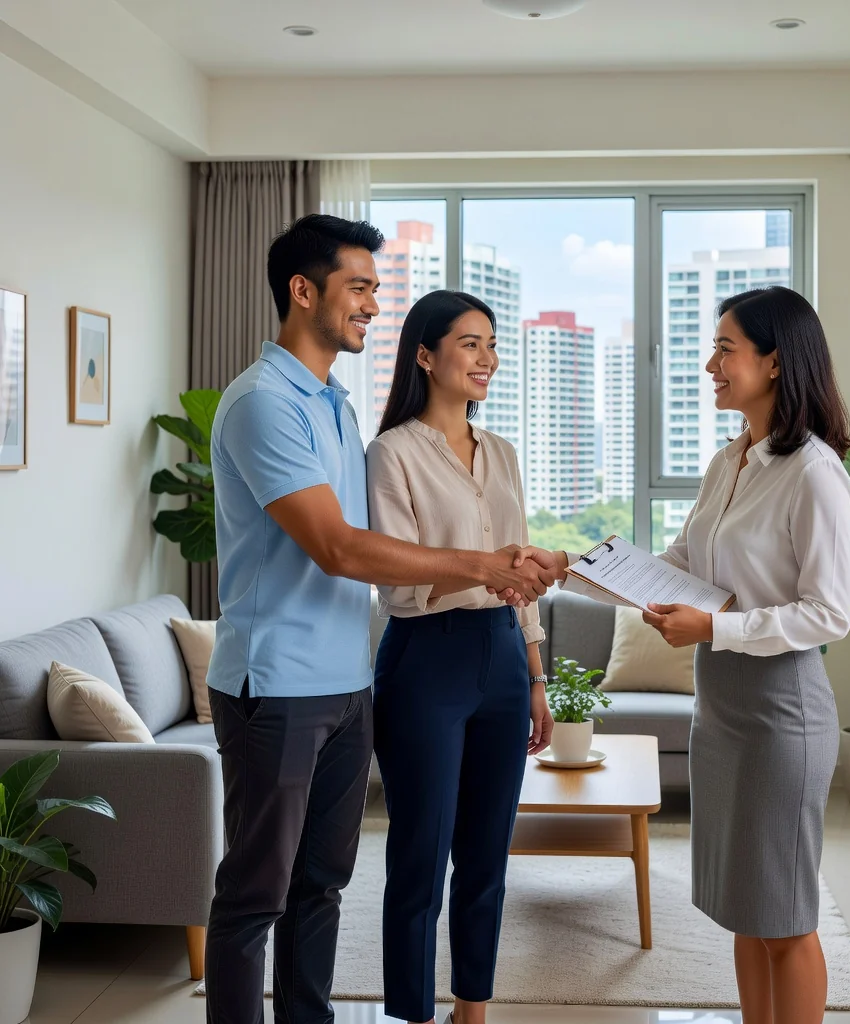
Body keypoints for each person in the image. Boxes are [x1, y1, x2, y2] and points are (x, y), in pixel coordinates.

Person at [203, 216, 555, 1024]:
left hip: (346, 683)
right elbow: (336, 546)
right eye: (357, 287)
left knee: (320, 888)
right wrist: (481, 565)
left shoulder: (332, 404)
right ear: (303, 291)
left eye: (372, 288)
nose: (370, 304)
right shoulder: (263, 404)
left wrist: (525, 630)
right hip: (276, 682)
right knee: (257, 894)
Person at [639, 286, 850, 1024]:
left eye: (724, 349)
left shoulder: (815, 474)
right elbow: (687, 560)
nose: (710, 364)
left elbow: (829, 613)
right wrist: (587, 570)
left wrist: (713, 630)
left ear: (773, 361)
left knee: (786, 916)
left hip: (780, 716)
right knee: (744, 909)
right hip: (722, 711)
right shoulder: (729, 461)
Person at [364, 290, 556, 1024]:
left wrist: (535, 674)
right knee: (418, 859)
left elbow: (521, 574)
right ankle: (412, 1012)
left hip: (503, 660)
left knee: (486, 857)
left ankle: (471, 1010)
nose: (487, 358)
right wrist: (486, 568)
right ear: (425, 354)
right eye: (470, 344)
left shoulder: (501, 452)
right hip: (425, 662)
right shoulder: (391, 453)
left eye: (492, 344)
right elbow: (399, 581)